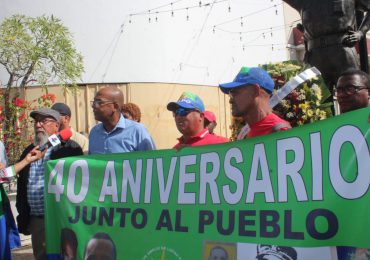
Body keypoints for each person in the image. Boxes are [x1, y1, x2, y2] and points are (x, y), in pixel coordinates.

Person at [16, 108, 83, 260]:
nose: (38, 125)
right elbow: (22, 186)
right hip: (37, 220)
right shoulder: (29, 151)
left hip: (62, 218)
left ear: (56, 125)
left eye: (44, 121)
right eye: (36, 121)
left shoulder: (69, 149)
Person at [283, 0, 370, 93]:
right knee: (317, 99)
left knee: (352, 93)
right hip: (315, 55)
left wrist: (360, 33)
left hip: (343, 51)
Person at [219, 67, 291, 139]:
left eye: (235, 93)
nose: (230, 100)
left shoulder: (281, 132)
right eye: (231, 94)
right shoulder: (245, 133)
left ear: (254, 91)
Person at [89, 87, 156, 154]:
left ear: (115, 107)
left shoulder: (137, 131)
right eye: (94, 102)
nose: (94, 106)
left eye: (99, 103)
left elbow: (152, 160)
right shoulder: (94, 132)